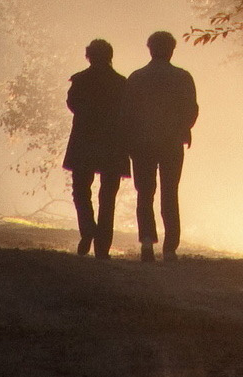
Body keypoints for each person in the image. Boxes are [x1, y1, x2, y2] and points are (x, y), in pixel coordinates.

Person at [125, 29, 198, 262]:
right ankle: (170, 247)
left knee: (145, 192)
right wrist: (183, 128)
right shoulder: (183, 77)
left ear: (150, 49)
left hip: (142, 143)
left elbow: (127, 112)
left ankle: (147, 242)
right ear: (171, 50)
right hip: (171, 141)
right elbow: (191, 109)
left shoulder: (136, 77)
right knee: (170, 192)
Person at [64, 38, 130, 258]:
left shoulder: (80, 80)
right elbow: (127, 111)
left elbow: (72, 105)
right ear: (110, 57)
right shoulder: (122, 83)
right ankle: (103, 247)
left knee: (80, 189)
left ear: (88, 56)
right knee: (108, 195)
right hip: (112, 142)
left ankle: (88, 229)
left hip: (84, 140)